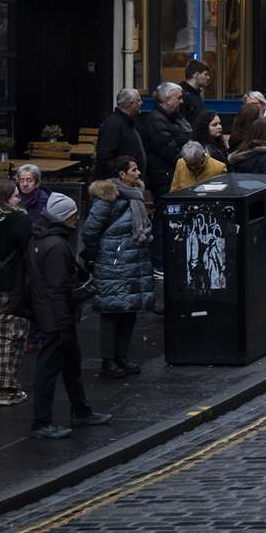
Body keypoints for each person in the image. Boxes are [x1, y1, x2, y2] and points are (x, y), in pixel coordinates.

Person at [22, 192, 112, 438]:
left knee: (71, 365)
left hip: (54, 315)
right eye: (73, 213)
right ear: (63, 216)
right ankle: (42, 422)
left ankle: (80, 410)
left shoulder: (40, 238)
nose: (77, 217)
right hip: (56, 318)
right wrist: (65, 318)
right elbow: (57, 289)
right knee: (47, 370)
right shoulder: (57, 246)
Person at [80, 155, 157, 379]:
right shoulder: (108, 197)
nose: (138, 173)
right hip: (113, 261)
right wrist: (105, 252)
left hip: (135, 261)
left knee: (130, 310)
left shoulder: (136, 196)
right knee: (112, 312)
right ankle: (108, 361)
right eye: (133, 170)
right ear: (122, 174)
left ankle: (122, 357)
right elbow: (90, 231)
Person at [0, 176, 29, 407]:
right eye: (16, 194)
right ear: (7, 198)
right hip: (11, 284)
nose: (19, 198)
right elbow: (28, 248)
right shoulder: (19, 218)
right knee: (11, 334)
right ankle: (6, 388)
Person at [94, 89, 148, 182]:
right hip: (119, 186)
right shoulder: (113, 124)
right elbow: (105, 157)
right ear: (131, 104)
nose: (141, 103)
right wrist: (122, 175)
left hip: (129, 183)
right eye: (139, 100)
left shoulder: (128, 123)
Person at [179, 59, 210, 124]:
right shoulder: (180, 94)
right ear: (195, 75)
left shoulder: (196, 94)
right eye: (206, 74)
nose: (208, 77)